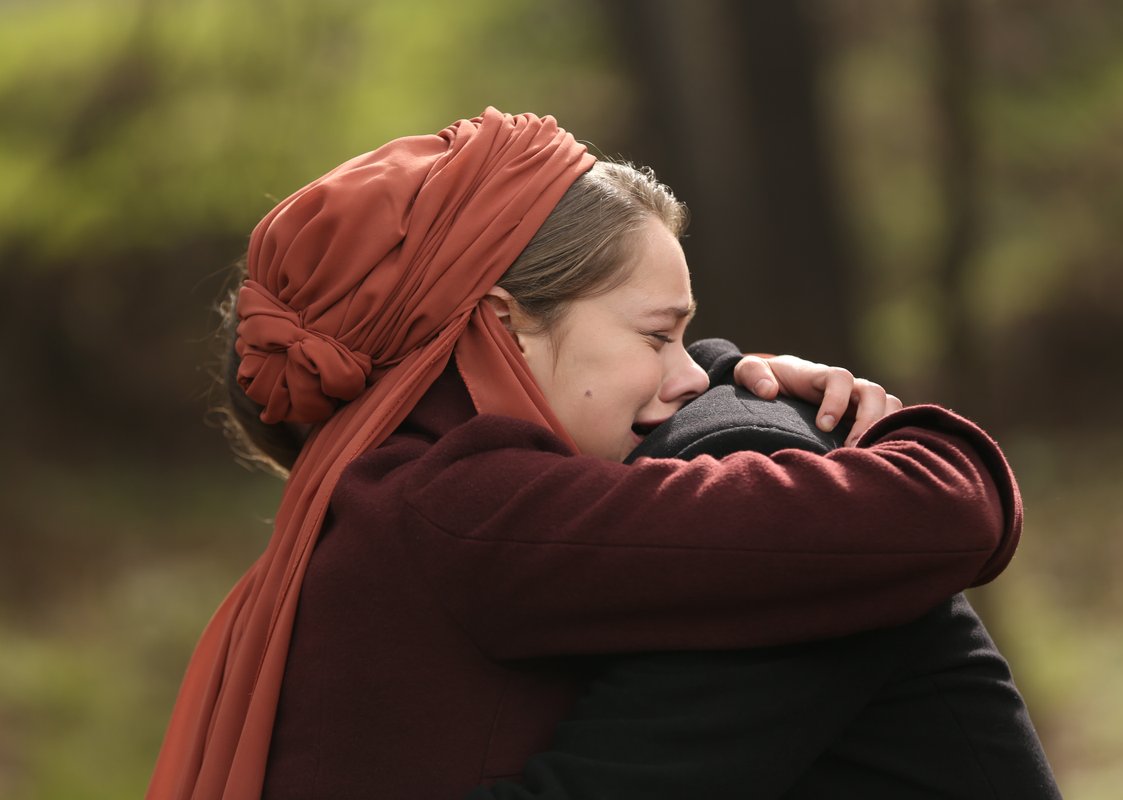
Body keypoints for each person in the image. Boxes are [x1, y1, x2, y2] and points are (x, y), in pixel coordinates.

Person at [148, 109, 1023, 799]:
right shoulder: (466, 510)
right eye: (659, 334)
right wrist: (857, 424)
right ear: (504, 324)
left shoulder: (392, 494)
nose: (684, 372)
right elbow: (951, 509)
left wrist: (717, 369)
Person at [471, 338, 1060, 799]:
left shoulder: (739, 460)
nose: (695, 377)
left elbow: (944, 507)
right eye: (656, 337)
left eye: (678, 335)